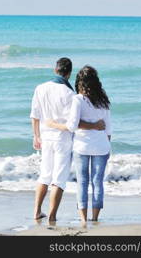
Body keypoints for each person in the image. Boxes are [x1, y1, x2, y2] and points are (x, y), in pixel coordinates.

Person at [30, 58, 105, 221]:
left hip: (45, 137)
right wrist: (95, 126)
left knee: (44, 175)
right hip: (62, 139)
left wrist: (35, 136)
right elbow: (74, 124)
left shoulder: (40, 88)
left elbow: (34, 115)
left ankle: (36, 211)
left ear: (55, 70)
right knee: (59, 178)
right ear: (69, 73)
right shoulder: (70, 94)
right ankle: (52, 216)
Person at [47, 65, 111, 223]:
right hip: (102, 146)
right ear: (96, 82)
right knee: (97, 182)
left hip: (82, 146)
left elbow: (72, 125)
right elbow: (108, 128)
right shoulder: (104, 100)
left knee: (82, 182)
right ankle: (95, 218)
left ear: (79, 82)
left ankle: (83, 219)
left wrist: (53, 124)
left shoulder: (78, 99)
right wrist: (106, 144)